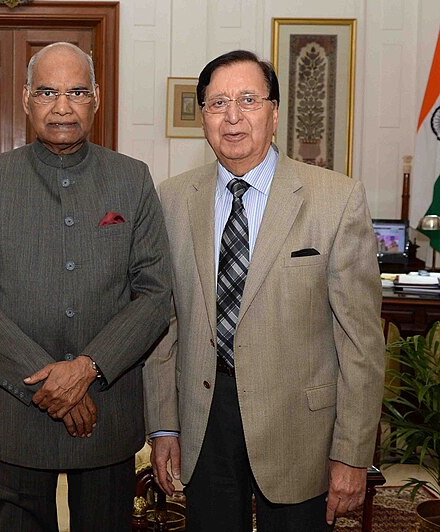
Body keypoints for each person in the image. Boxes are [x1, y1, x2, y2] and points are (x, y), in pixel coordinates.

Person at [144, 50, 384, 531]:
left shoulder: (335, 200)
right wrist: (164, 425)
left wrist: (352, 455)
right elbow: (164, 323)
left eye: (248, 100)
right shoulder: (170, 200)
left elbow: (361, 342)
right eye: (217, 103)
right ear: (204, 117)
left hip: (301, 428)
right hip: (204, 418)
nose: (233, 117)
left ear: (274, 112)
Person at [0, 42, 171, 531]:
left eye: (76, 92)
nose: (62, 106)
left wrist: (89, 368)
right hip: (15, 416)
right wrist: (50, 381)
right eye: (48, 92)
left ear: (96, 99)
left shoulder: (132, 179)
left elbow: (155, 293)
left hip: (106, 413)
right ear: (27, 98)